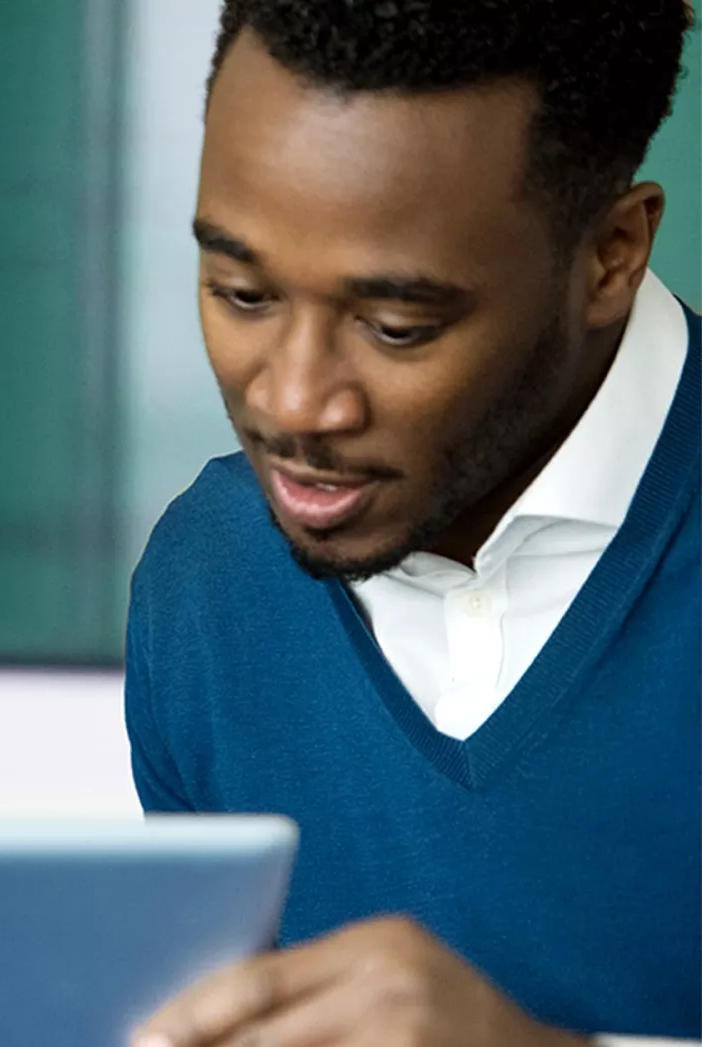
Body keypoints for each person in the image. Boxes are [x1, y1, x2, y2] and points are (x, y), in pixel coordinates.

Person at [122, 3, 698, 1047]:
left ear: (609, 256)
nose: (293, 404)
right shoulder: (208, 573)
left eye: (395, 327)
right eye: (239, 292)